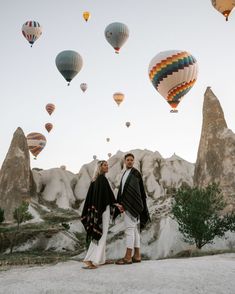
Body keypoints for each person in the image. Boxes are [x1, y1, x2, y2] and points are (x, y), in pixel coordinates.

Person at [114, 153, 150, 264]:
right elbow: (123, 191)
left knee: (129, 230)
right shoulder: (125, 173)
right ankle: (137, 255)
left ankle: (128, 257)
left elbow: (139, 192)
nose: (129, 161)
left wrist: (130, 204)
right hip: (128, 206)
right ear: (124, 161)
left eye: (131, 160)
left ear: (134, 162)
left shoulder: (135, 173)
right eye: (128, 160)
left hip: (132, 206)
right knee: (134, 230)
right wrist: (120, 203)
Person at [81, 160, 116, 269]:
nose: (107, 167)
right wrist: (116, 204)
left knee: (102, 234)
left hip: (99, 211)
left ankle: (100, 259)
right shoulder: (102, 179)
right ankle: (88, 259)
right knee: (101, 234)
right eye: (104, 165)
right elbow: (108, 196)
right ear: (100, 167)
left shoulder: (95, 180)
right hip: (103, 210)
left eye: (107, 165)